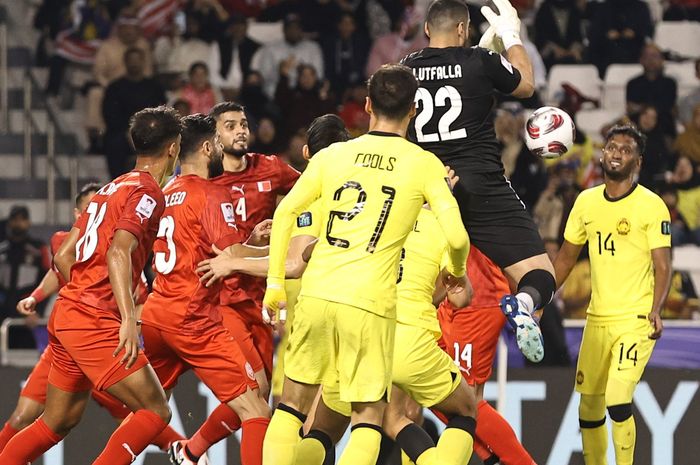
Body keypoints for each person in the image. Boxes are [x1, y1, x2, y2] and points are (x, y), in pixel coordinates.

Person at [261, 63, 469, 465]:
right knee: (367, 420)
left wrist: (273, 284)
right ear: (414, 110)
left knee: (290, 410)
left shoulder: (335, 155)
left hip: (317, 295)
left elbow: (285, 213)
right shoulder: (424, 163)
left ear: (368, 104)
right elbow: (458, 237)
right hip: (369, 304)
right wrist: (457, 271)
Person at [0, 106, 182, 465]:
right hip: (94, 321)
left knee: (57, 421)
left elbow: (64, 256)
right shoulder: (147, 193)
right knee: (156, 411)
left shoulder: (109, 188)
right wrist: (127, 318)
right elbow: (119, 252)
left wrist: (82, 294)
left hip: (69, 315)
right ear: (173, 148)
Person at [401, 0, 551, 362]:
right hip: (481, 187)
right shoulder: (479, 63)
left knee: (420, 290)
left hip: (427, 192)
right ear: (463, 30)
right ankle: (523, 305)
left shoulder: (404, 69)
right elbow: (526, 85)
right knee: (540, 275)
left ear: (426, 30)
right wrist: (512, 36)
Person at [138, 114, 271, 465]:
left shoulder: (164, 192)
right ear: (209, 147)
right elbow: (231, 255)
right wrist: (287, 251)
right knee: (256, 408)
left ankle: (187, 452)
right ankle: (191, 450)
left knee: (150, 412)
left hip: (156, 313)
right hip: (194, 319)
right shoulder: (211, 193)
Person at [553, 125, 672, 465]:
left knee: (617, 399)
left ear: (638, 162)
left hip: (636, 319)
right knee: (588, 406)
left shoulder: (651, 205)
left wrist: (656, 309)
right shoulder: (586, 201)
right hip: (597, 320)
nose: (617, 152)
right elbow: (565, 257)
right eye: (611, 146)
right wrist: (541, 299)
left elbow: (662, 266)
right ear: (602, 153)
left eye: (626, 149)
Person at [208, 102, 300, 398]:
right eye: (231, 126)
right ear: (214, 135)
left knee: (261, 396)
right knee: (251, 390)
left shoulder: (270, 168)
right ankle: (191, 446)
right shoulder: (204, 179)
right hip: (221, 296)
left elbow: (311, 192)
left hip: (262, 295)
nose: (240, 131)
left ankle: (191, 446)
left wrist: (284, 223)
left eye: (244, 124)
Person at [438, 247, 537, 465]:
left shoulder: (466, 212)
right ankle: (488, 455)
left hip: (477, 299)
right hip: (451, 295)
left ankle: (521, 462)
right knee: (423, 380)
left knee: (459, 394)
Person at [102, 48, 167, 178]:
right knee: (114, 143)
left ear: (143, 62)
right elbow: (110, 114)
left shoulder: (154, 87)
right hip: (122, 132)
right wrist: (129, 132)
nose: (134, 64)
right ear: (125, 62)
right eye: (131, 60)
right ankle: (117, 184)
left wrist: (146, 132)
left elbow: (161, 112)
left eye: (137, 60)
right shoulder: (115, 87)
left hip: (150, 132)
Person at [251, 13, 324, 98]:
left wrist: (304, 71)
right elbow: (264, 77)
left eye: (296, 28)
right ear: (284, 30)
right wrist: (279, 71)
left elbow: (319, 75)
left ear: (301, 30)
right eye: (290, 28)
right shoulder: (271, 48)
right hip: (276, 96)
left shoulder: (313, 48)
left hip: (305, 96)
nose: (293, 31)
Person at [0, 206, 49, 331]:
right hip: (3, 309)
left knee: (27, 350)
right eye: (15, 219)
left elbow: (48, 281)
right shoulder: (2, 249)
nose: (18, 223)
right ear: (9, 222)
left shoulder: (38, 249)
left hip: (28, 310)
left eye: (22, 219)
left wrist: (38, 311)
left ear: (28, 222)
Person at [626, 44, 678, 138]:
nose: (651, 60)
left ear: (662, 60)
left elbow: (668, 107)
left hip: (663, 127)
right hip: (638, 127)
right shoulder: (633, 83)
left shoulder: (670, 83)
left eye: (654, 56)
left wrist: (643, 108)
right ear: (641, 60)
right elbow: (631, 109)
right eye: (647, 56)